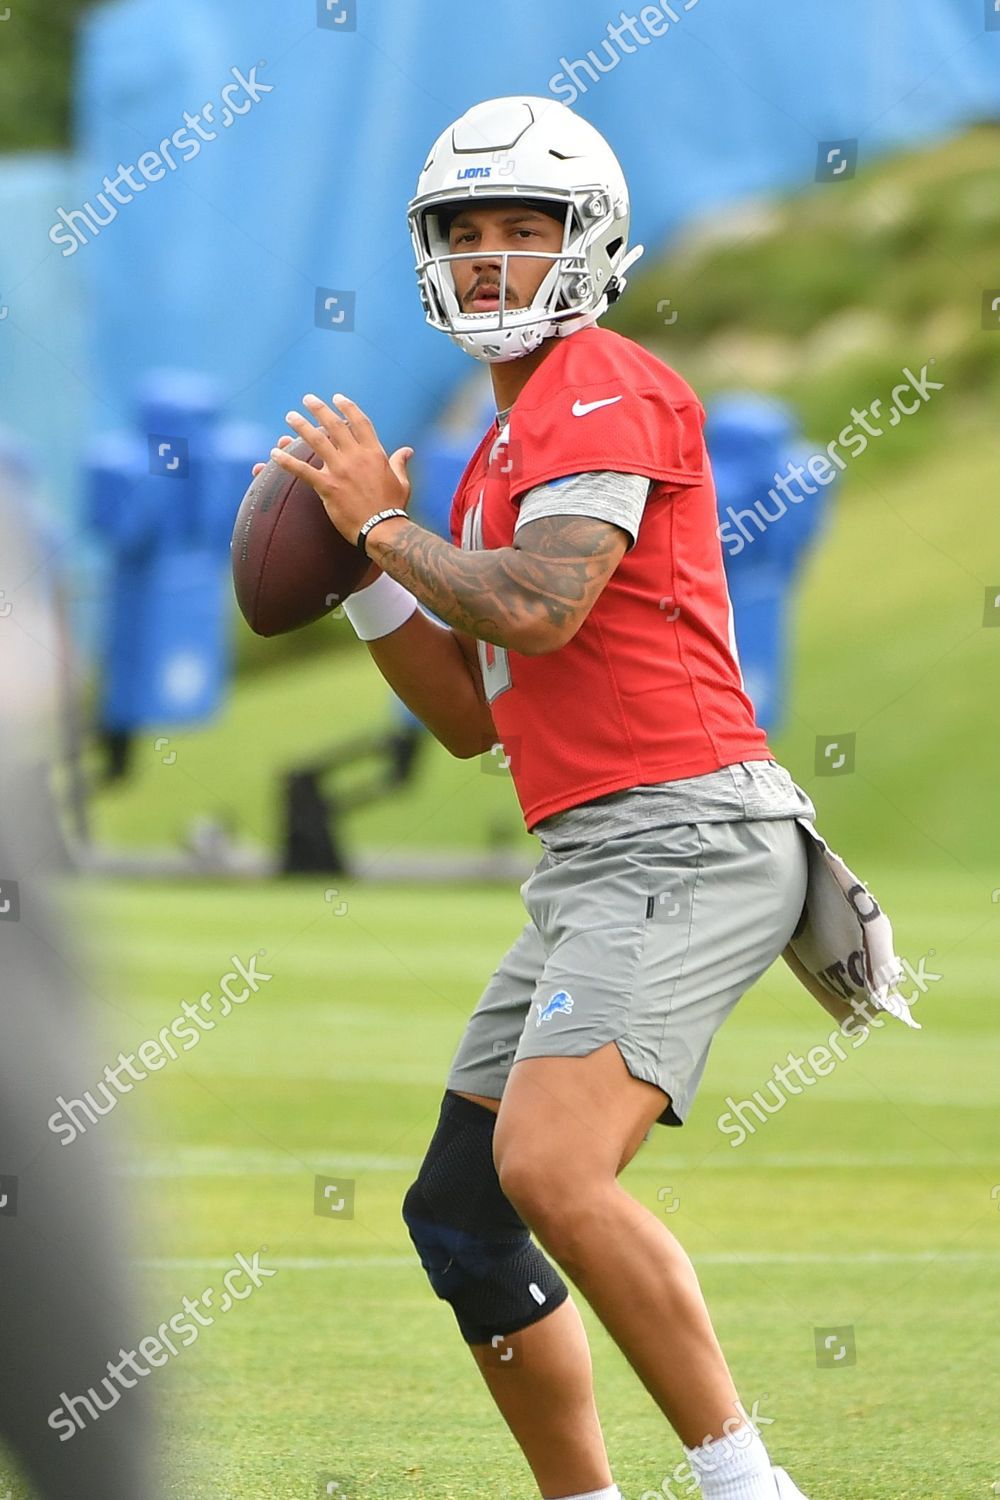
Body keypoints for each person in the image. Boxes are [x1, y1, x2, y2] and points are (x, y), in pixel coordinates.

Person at [262, 94, 820, 1500]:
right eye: (471, 231)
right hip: (595, 858)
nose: (498, 259)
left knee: (554, 1175)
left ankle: (751, 1491)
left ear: (593, 245)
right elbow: (466, 722)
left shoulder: (601, 382)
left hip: (685, 836)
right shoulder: (501, 447)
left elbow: (548, 605)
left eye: (529, 229)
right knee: (461, 1217)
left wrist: (380, 523)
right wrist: (371, 573)